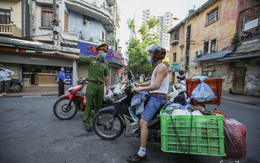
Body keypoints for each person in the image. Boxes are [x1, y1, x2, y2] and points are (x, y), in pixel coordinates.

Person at [53, 43, 110, 132]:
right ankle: (86, 122)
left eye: (106, 51)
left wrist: (107, 87)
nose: (106, 53)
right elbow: (76, 57)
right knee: (89, 104)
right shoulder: (91, 60)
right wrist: (61, 54)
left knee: (98, 105)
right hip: (92, 85)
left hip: (101, 86)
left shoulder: (106, 64)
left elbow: (106, 76)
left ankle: (97, 120)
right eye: (104, 51)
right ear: (99, 51)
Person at [127, 45, 169, 162]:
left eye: (151, 54)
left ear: (156, 55)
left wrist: (138, 90)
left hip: (158, 98)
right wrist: (140, 85)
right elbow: (152, 81)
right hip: (154, 96)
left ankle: (142, 153)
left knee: (143, 122)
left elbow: (156, 86)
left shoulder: (161, 68)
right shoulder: (157, 67)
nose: (149, 56)